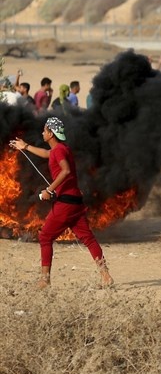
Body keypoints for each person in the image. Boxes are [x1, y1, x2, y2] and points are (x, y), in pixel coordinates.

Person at [8, 117, 114, 289]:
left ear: (50, 133)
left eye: (44, 130)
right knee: (88, 238)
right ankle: (106, 276)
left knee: (45, 237)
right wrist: (25, 146)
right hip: (75, 202)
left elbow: (65, 171)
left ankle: (45, 280)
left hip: (65, 204)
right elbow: (47, 154)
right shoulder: (61, 149)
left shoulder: (59, 151)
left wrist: (49, 190)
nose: (42, 133)